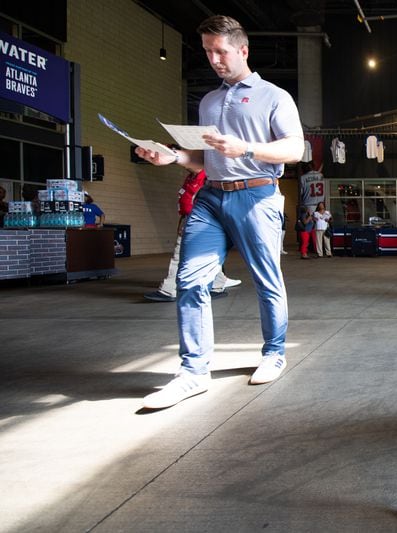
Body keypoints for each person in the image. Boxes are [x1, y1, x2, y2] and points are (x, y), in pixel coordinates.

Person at [134, 15, 304, 409]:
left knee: (267, 281)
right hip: (210, 197)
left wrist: (243, 148)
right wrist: (172, 156)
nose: (214, 59)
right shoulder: (208, 101)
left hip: (257, 197)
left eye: (221, 51)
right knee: (189, 280)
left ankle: (274, 353)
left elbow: (294, 150)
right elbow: (203, 157)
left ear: (242, 50)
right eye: (208, 51)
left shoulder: (274, 96)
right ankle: (193, 373)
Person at [144, 170, 241, 302]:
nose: (182, 165)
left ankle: (168, 290)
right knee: (206, 255)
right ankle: (218, 284)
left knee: (180, 255)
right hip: (189, 218)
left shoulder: (207, 177)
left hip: (200, 220)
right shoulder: (191, 177)